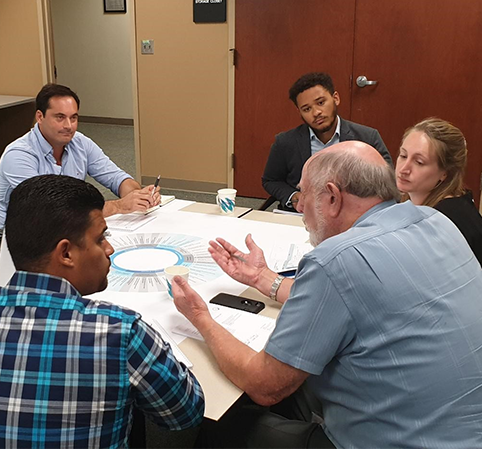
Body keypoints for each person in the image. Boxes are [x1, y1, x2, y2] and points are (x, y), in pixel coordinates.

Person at [172, 142, 482, 448]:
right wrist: (263, 278)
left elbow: (265, 385)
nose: (298, 205)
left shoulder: (335, 260)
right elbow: (368, 296)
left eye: (304, 194)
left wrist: (200, 317)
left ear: (332, 197)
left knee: (222, 423)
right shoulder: (436, 220)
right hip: (465, 429)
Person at [0, 174, 204, 447]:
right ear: (65, 253)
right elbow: (185, 413)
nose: (110, 249)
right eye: (100, 238)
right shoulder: (119, 332)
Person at [0, 83, 160, 229]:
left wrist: (138, 196)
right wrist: (118, 206)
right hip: (16, 238)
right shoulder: (19, 155)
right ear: (40, 117)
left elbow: (117, 178)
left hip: (64, 229)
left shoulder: (79, 142)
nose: (68, 126)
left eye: (73, 118)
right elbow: (51, 212)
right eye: (60, 117)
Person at [262, 72, 392, 211]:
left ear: (335, 98)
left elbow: (388, 180)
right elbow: (271, 180)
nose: (316, 112)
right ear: (299, 112)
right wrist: (294, 196)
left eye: (321, 102)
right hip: (302, 215)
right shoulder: (285, 142)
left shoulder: (367, 137)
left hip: (353, 217)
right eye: (307, 109)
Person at [396, 117, 482, 264]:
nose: (404, 169)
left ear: (445, 173)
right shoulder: (451, 201)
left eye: (419, 162)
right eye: (403, 156)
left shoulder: (445, 221)